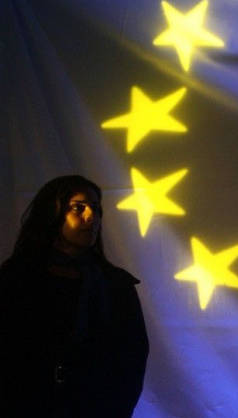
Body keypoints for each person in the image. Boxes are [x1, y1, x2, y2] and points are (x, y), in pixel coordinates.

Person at [0, 175, 149, 417]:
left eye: (97, 210)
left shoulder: (115, 285)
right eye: (78, 208)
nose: (92, 217)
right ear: (52, 213)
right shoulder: (16, 280)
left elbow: (132, 358)